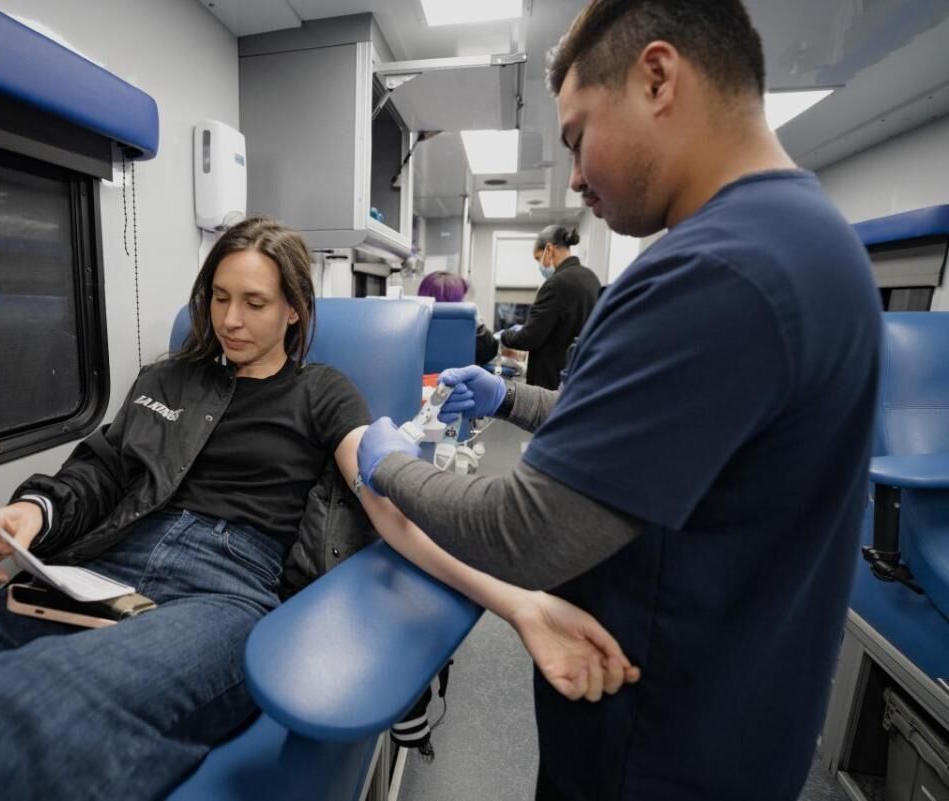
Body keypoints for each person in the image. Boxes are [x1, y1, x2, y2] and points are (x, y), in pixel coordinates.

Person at [0, 217, 638, 801]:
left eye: (255, 303)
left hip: (222, 593)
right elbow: (95, 470)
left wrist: (516, 602)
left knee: (20, 709)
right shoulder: (166, 379)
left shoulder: (324, 392)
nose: (231, 319)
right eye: (218, 298)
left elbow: (392, 503)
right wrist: (28, 515)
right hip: (98, 565)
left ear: (295, 311)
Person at [354, 2, 881, 800]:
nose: (572, 175)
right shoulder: (807, 239)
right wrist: (512, 400)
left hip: (655, 737)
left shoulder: (712, 273)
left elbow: (520, 532)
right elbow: (660, 447)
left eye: (575, 135)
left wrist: (386, 462)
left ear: (657, 78)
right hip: (739, 718)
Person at [495, 225, 599, 390]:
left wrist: (504, 336)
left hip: (550, 381)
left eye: (538, 258)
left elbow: (529, 338)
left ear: (549, 250)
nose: (539, 265)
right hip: (579, 375)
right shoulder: (591, 278)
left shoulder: (556, 284)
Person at [416, 270, 499, 366]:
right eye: (462, 299)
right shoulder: (466, 335)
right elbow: (489, 352)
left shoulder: (413, 329)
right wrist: (478, 324)